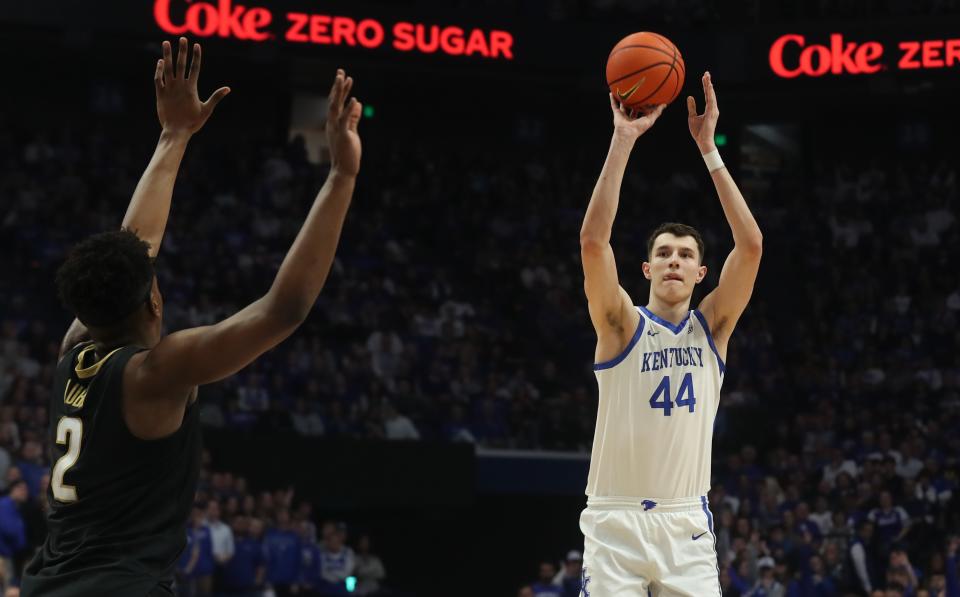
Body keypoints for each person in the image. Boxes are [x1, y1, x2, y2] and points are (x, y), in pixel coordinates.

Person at [21, 36, 363, 596]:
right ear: (152, 301)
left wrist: (174, 134)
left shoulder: (74, 349)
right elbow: (284, 309)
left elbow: (136, 246)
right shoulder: (155, 372)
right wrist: (340, 178)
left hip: (49, 585)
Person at [578, 71, 763, 596]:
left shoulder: (714, 328)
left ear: (702, 273)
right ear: (646, 269)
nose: (675, 261)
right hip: (616, 523)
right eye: (664, 253)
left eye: (686, 255)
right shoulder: (621, 325)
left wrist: (709, 151)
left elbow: (750, 247)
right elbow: (593, 242)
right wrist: (623, 138)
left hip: (685, 526)